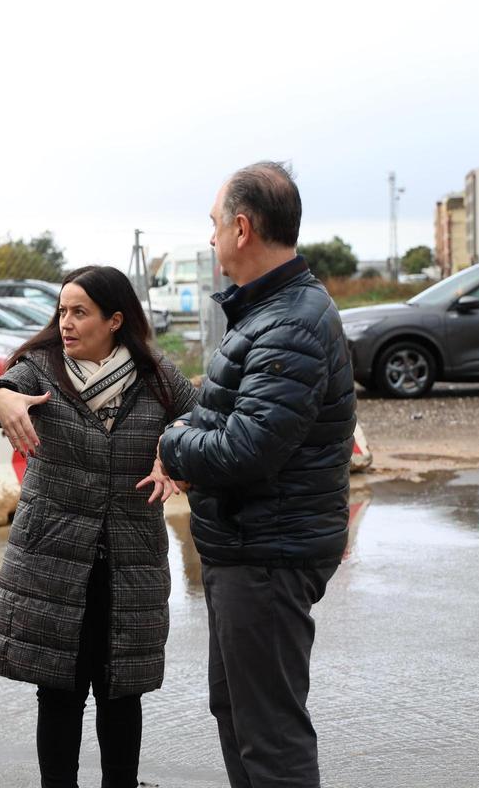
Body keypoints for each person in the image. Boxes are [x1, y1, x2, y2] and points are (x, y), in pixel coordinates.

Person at [158, 161, 356, 788]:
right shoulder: (272, 311)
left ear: (241, 228)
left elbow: (248, 449)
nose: (212, 237)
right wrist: (197, 437)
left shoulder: (290, 321)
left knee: (268, 739)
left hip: (266, 552)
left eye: (215, 224)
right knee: (241, 719)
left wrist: (173, 442)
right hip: (252, 545)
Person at [0, 265, 197, 788]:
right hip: (52, 568)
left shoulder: (156, 377)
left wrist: (174, 451)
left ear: (115, 320)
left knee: (122, 694)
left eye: (80, 312)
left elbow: (205, 416)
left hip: (130, 565)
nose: (67, 323)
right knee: (59, 693)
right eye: (62, 311)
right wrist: (2, 396)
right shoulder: (41, 369)